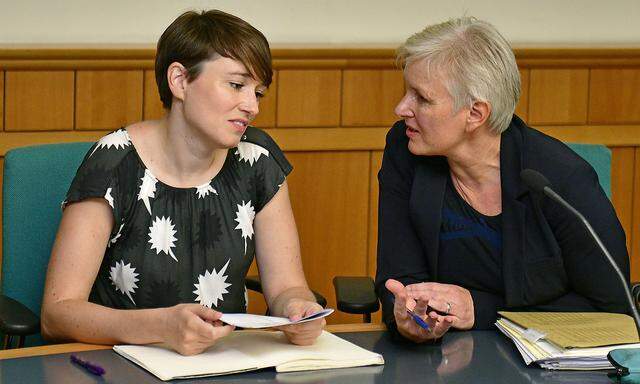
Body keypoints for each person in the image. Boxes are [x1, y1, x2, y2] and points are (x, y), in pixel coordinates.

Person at [41, 9, 324, 355]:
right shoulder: (114, 163)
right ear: (179, 81)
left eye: (258, 92)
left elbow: (286, 288)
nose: (252, 106)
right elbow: (57, 314)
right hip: (123, 364)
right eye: (236, 85)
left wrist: (298, 309)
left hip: (225, 363)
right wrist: (159, 327)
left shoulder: (258, 160)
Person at [375, 17, 629, 343]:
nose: (401, 108)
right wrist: (410, 316)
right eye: (406, 92)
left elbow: (611, 310)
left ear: (476, 114)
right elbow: (399, 279)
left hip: (543, 365)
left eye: (421, 99)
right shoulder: (405, 148)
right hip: (439, 356)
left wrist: (481, 311)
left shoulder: (562, 180)